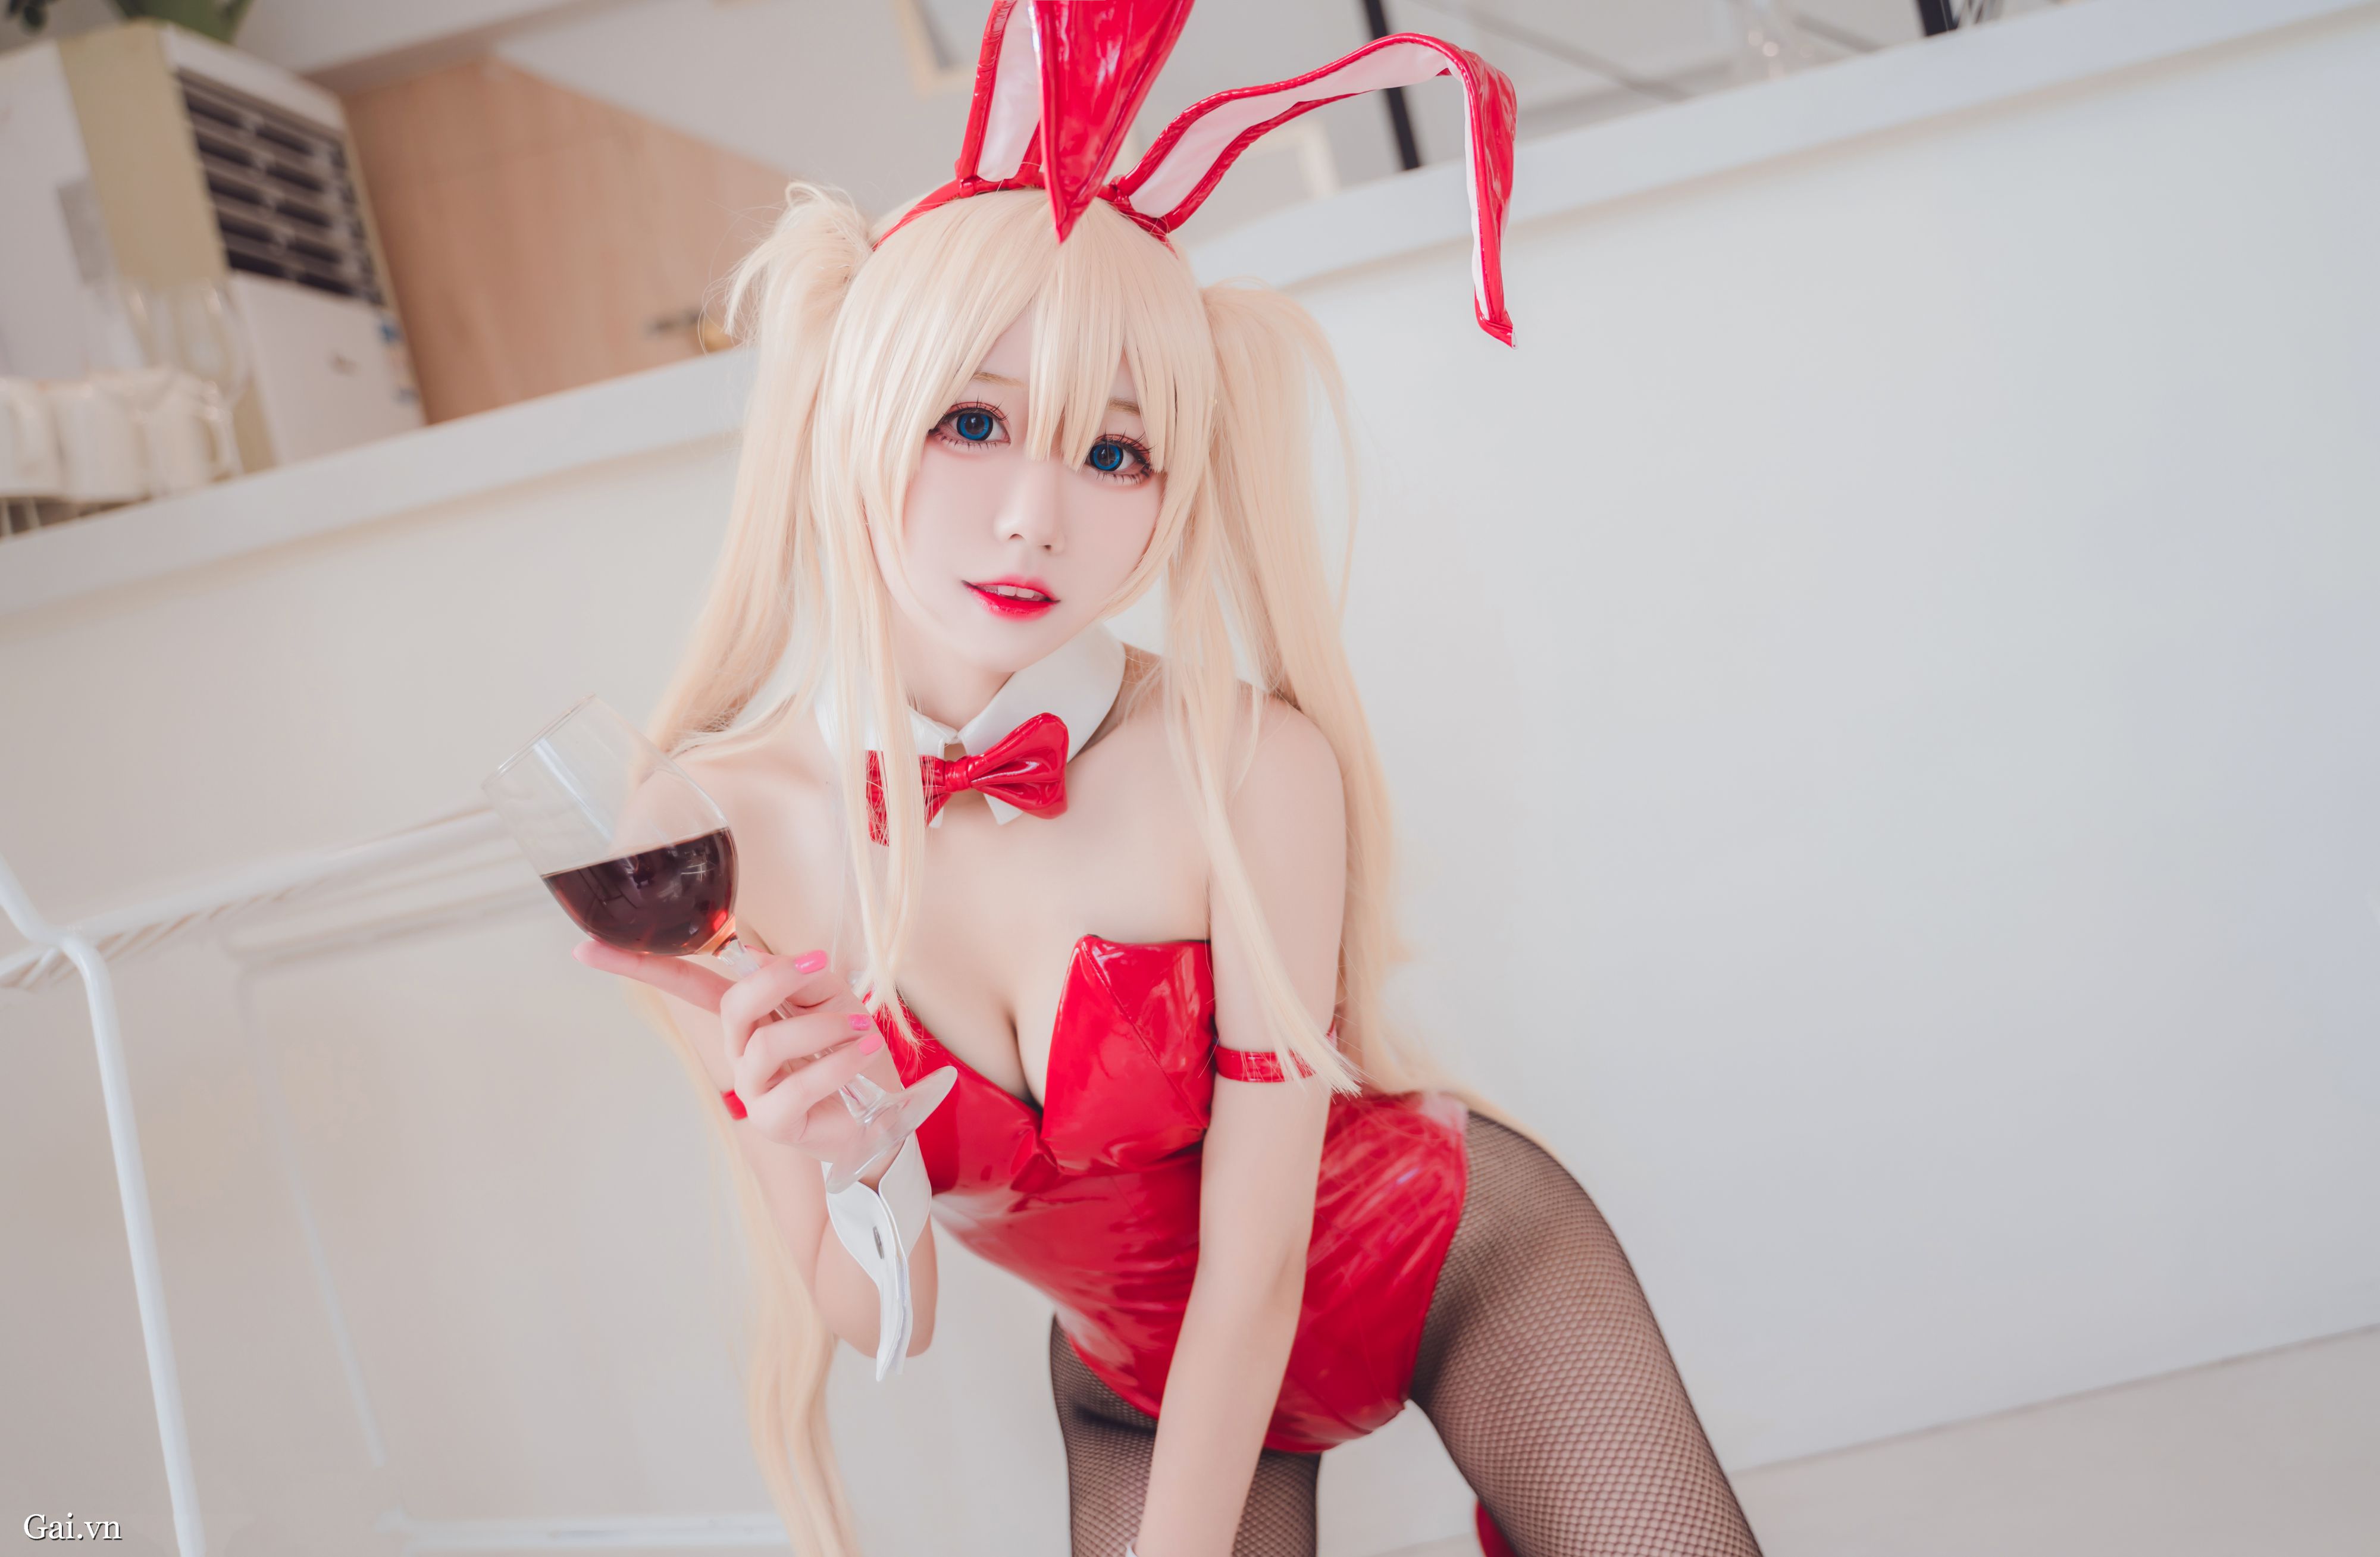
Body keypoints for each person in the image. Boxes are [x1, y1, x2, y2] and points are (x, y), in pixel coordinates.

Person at [571, 5, 1762, 1555]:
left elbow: (1255, 1269)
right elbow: (875, 1319)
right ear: (855, 417)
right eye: (974, 422)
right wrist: (858, 1155)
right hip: (1141, 1377)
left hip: (1457, 1262)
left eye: (1113, 454)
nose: (1034, 516)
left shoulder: (1249, 763)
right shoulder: (717, 837)